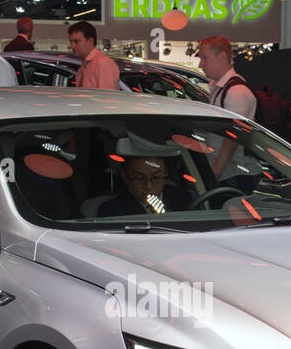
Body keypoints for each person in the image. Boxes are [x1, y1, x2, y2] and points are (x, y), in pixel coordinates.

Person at [198, 35, 256, 179]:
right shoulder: (221, 88)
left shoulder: (236, 93)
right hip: (228, 173)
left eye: (204, 58)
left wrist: (215, 173)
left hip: (235, 176)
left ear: (222, 57)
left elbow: (232, 139)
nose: (200, 64)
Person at [99, 156, 191, 217]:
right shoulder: (111, 211)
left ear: (166, 173)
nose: (148, 186)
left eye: (156, 177)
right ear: (125, 176)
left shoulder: (185, 200)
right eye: (139, 178)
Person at [68, 21, 119, 90]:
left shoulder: (102, 63)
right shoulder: (84, 65)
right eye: (71, 42)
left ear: (90, 41)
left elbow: (106, 97)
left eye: (76, 41)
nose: (72, 46)